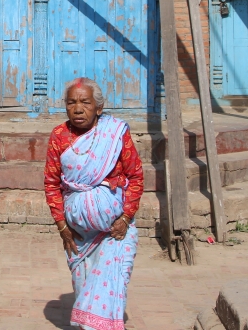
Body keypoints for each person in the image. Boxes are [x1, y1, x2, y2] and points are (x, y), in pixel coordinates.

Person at [43, 78, 144, 330]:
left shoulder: (116, 132)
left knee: (112, 280)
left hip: (115, 232)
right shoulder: (59, 136)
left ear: (99, 107)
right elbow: (51, 183)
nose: (78, 108)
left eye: (85, 102)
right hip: (79, 234)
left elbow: (136, 176)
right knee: (84, 285)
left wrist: (125, 218)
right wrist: (62, 227)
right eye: (71, 102)